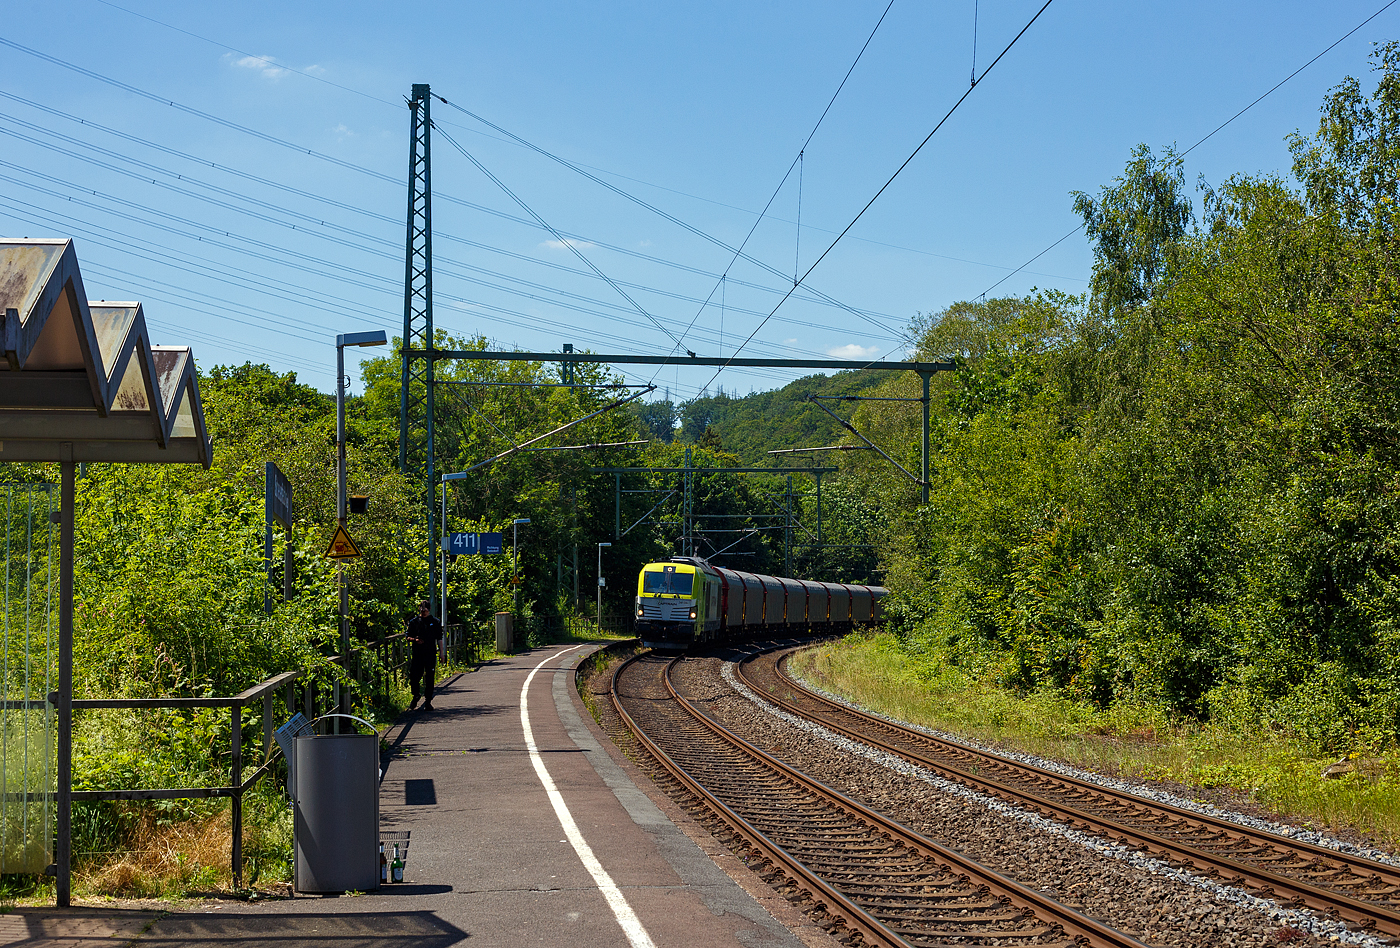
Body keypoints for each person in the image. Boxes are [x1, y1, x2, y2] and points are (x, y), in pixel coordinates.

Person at [405, 602, 444, 711]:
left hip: (430, 653)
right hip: (417, 654)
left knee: (430, 677)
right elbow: (407, 636)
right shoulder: (414, 622)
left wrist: (442, 653)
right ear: (419, 609)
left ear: (429, 609)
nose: (424, 612)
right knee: (414, 676)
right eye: (422, 610)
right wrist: (415, 640)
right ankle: (416, 695)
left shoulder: (435, 622)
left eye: (426, 610)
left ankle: (428, 701)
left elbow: (439, 638)